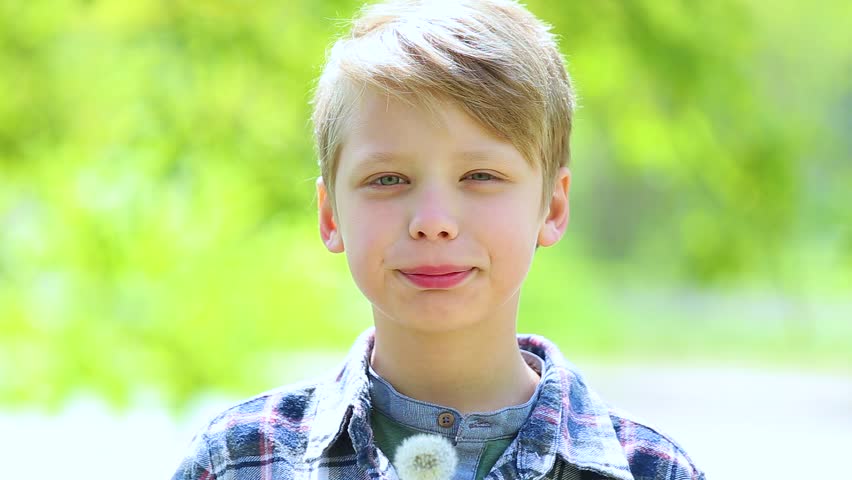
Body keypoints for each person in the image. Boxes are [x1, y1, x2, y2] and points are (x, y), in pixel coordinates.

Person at [173, 1, 705, 479]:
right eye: (388, 180)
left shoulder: (653, 471)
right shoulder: (240, 461)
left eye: (480, 176)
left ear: (553, 206)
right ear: (331, 214)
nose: (433, 221)